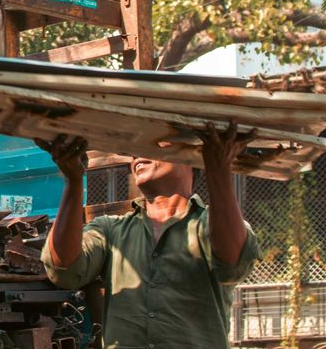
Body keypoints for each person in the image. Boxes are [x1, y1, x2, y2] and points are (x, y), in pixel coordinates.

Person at [39, 126, 261, 349]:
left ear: (191, 159)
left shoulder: (209, 226)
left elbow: (233, 264)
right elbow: (64, 271)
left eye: (155, 142)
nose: (138, 155)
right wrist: (74, 180)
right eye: (134, 152)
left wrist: (218, 167)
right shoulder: (110, 230)